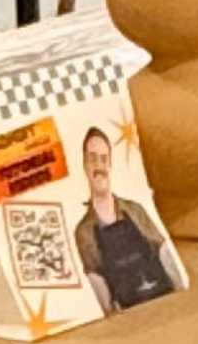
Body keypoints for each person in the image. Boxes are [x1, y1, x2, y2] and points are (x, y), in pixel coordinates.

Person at [76, 123, 179, 312]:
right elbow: (98, 284)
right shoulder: (84, 231)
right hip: (130, 315)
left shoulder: (135, 210)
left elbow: (164, 253)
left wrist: (180, 294)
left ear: (110, 164)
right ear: (84, 164)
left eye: (103, 159)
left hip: (165, 301)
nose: (99, 166)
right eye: (92, 159)